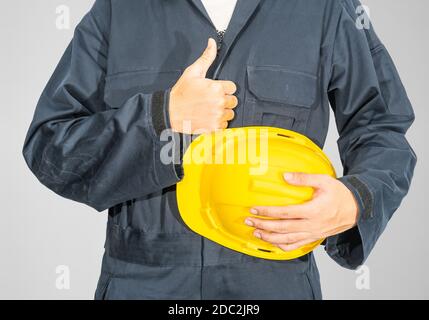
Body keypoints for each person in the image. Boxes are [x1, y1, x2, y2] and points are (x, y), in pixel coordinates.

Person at [23, 0, 416, 299]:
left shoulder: (324, 8)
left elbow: (381, 126)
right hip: (139, 281)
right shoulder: (119, 9)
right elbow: (50, 144)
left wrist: (355, 200)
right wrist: (162, 118)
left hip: (275, 282)